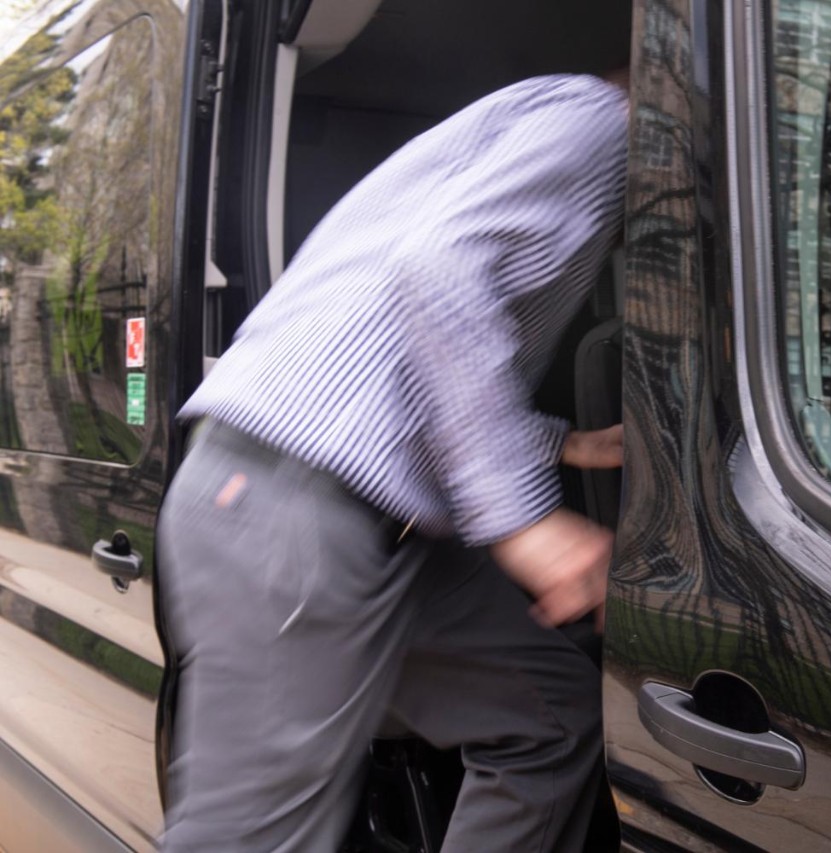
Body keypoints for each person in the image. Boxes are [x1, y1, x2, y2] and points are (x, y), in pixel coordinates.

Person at [155, 24, 632, 853]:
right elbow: (439, 268)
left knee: (549, 710)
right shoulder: (603, 121)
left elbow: (397, 361)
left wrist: (553, 441)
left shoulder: (538, 127)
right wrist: (525, 519)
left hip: (369, 517)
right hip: (287, 500)